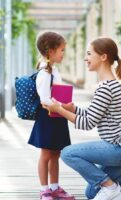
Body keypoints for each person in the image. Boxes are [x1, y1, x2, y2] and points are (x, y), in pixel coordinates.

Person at [43, 37, 121, 200]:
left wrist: (59, 109)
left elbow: (87, 123)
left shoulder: (105, 88)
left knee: (67, 153)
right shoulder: (111, 84)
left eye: (89, 54)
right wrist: (73, 108)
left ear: (103, 57)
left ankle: (110, 187)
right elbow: (95, 115)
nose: (85, 58)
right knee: (92, 192)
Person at [28, 31, 75, 200]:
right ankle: (44, 190)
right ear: (51, 51)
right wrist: (64, 106)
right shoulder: (44, 73)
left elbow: (56, 94)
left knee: (56, 153)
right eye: (62, 50)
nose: (63, 53)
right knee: (46, 155)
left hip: (57, 117)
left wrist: (65, 106)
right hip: (47, 118)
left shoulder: (54, 71)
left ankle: (55, 188)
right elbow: (44, 100)